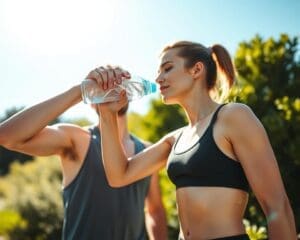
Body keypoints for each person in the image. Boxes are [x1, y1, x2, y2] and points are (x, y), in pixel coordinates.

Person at [90, 41, 297, 240]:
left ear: (197, 70)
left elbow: (277, 205)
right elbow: (119, 175)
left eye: (167, 68)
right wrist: (107, 114)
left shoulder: (233, 116)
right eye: (158, 71)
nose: (158, 78)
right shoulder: (175, 138)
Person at [0, 79, 167, 239]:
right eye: (104, 86)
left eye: (118, 81)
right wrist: (79, 91)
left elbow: (155, 210)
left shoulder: (147, 149)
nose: (112, 87)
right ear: (92, 100)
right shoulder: (77, 139)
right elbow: (7, 136)